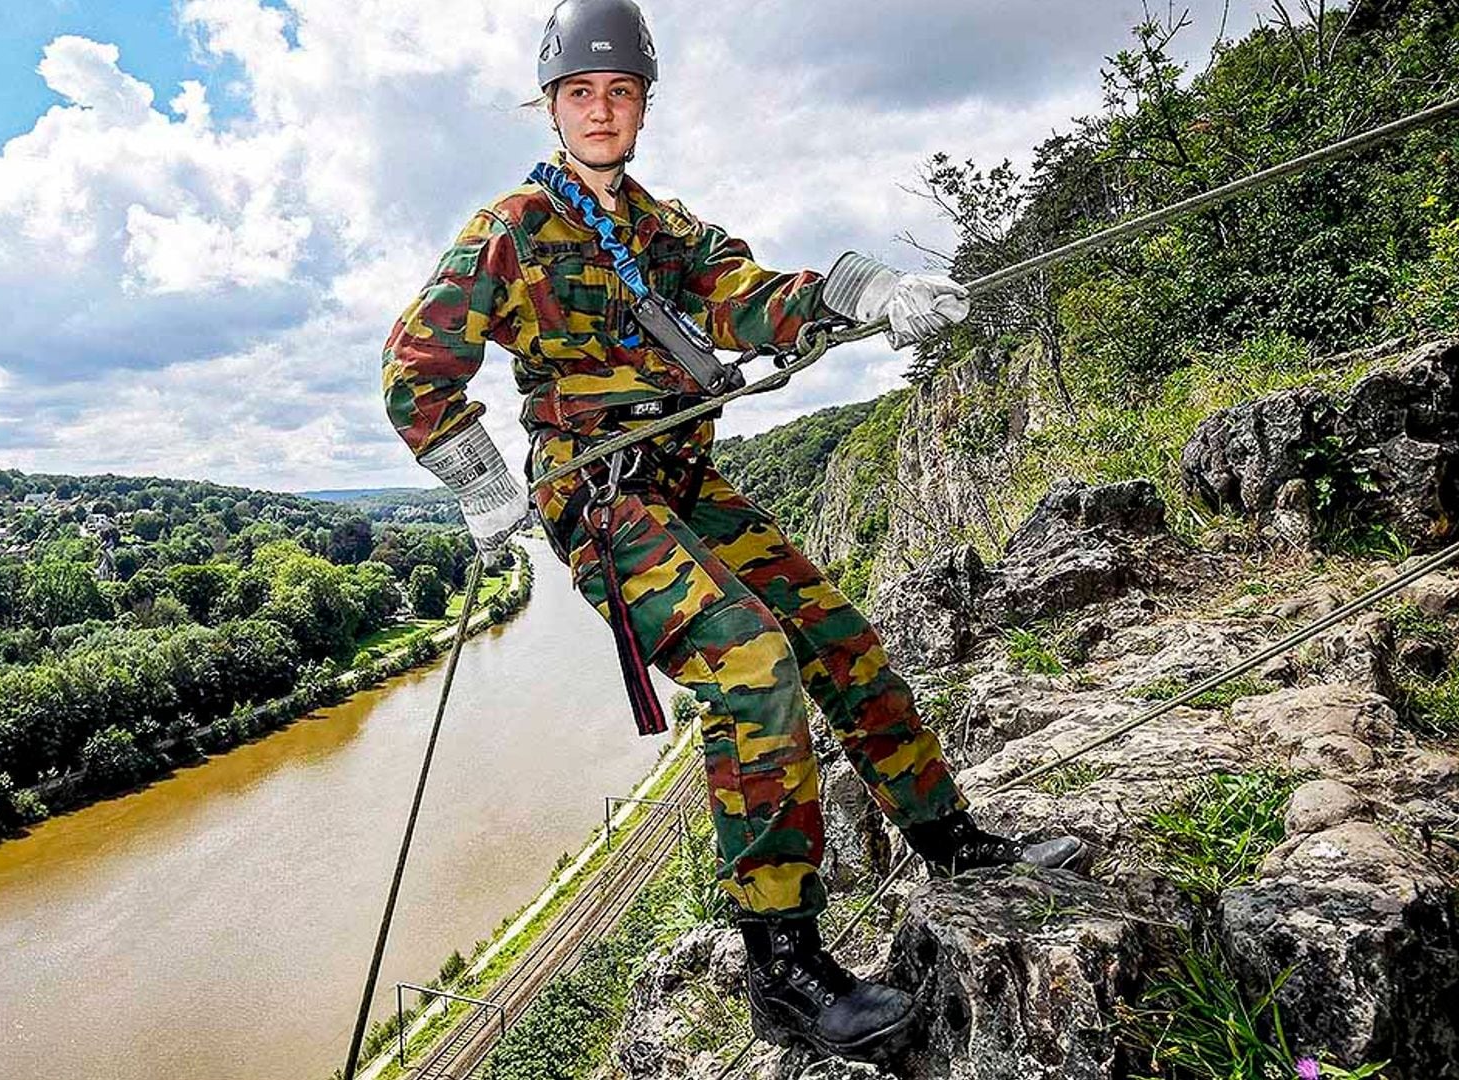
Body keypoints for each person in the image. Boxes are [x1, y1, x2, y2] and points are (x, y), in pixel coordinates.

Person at [381, 0, 1081, 1061]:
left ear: (642, 105)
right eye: (582, 93)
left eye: (619, 92)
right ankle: (783, 970)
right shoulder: (513, 230)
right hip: (601, 498)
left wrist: (873, 293)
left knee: (837, 637)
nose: (602, 109)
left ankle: (955, 844)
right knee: (750, 666)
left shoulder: (664, 231)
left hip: (682, 478)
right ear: (554, 105)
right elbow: (415, 367)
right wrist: (480, 478)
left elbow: (750, 297)